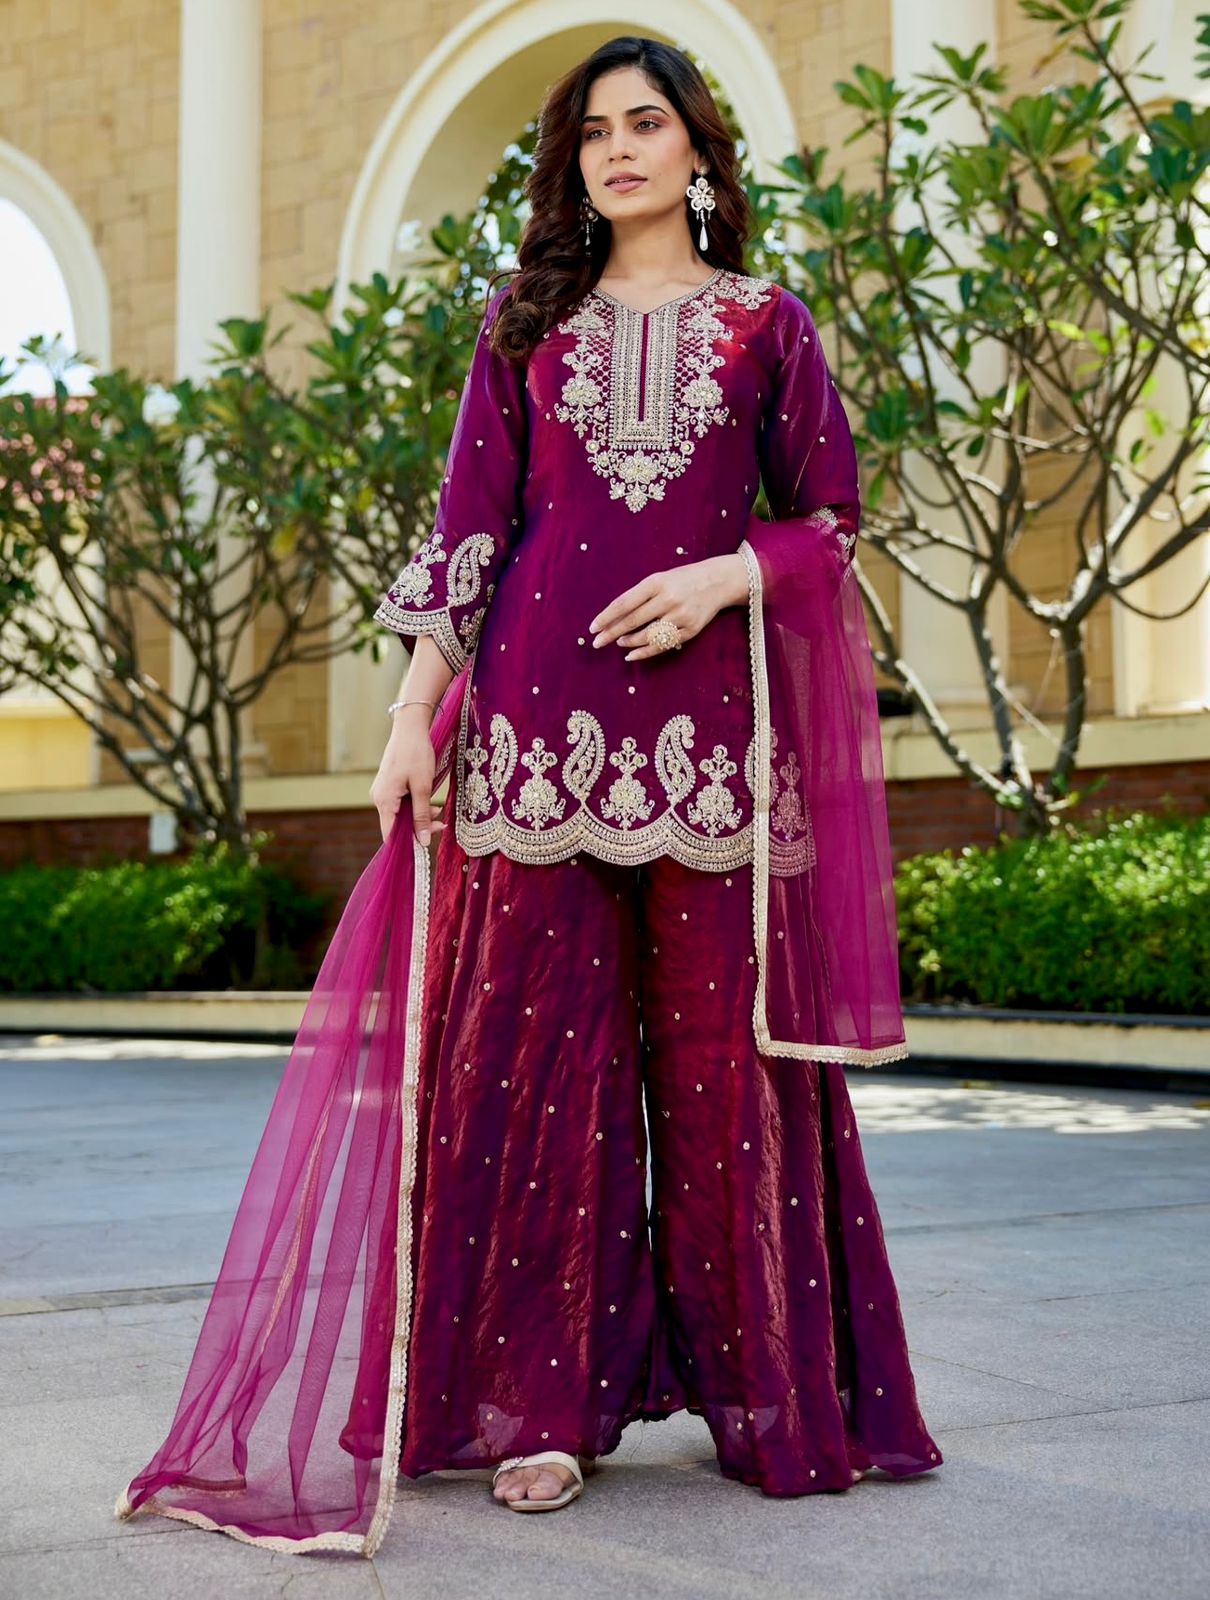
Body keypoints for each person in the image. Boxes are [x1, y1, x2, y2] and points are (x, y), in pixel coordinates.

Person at [114, 35, 942, 1558]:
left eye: (647, 125)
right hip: (529, 748)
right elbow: (468, 539)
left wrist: (720, 572)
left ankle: (767, 1399)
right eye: (590, 135)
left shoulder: (769, 328)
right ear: (570, 167)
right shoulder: (525, 327)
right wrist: (409, 724)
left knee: (721, 1078)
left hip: (704, 750)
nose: (617, 152)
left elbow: (827, 526)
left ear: (700, 149)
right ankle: (534, 1413)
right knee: (533, 1077)